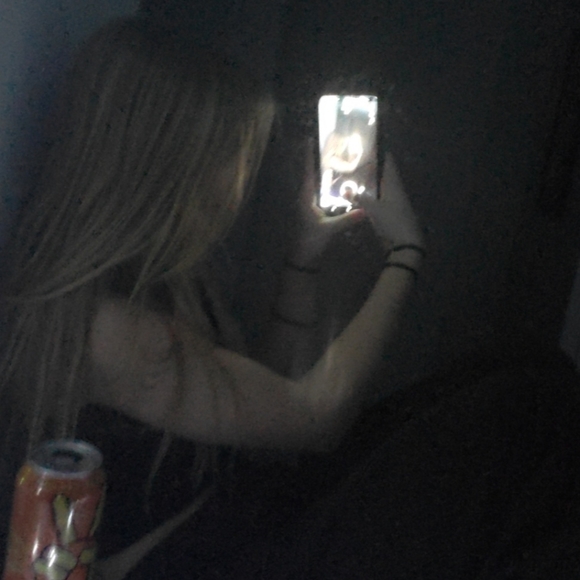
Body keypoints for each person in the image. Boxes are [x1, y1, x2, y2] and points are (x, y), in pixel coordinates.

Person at [0, 14, 424, 577]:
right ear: (178, 167)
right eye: (239, 153)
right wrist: (405, 253)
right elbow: (315, 418)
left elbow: (266, 413)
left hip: (232, 528)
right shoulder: (115, 330)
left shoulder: (162, 279)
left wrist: (304, 255)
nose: (245, 177)